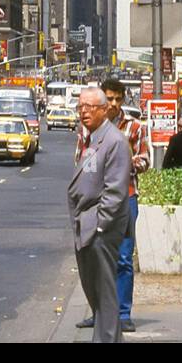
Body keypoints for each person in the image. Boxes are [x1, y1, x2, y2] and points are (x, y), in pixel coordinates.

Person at [74, 76, 151, 332]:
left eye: (118, 99)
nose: (115, 104)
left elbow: (145, 160)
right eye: (110, 99)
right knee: (96, 257)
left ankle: (123, 313)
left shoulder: (134, 128)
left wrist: (120, 163)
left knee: (123, 258)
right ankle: (100, 313)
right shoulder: (88, 130)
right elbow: (80, 161)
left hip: (126, 197)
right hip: (95, 200)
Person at [67, 86, 131, 344]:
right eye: (81, 107)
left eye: (90, 107)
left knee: (103, 293)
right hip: (88, 224)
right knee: (95, 291)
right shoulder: (92, 138)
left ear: (104, 110)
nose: (84, 112)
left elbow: (115, 192)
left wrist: (99, 227)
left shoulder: (114, 141)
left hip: (100, 228)